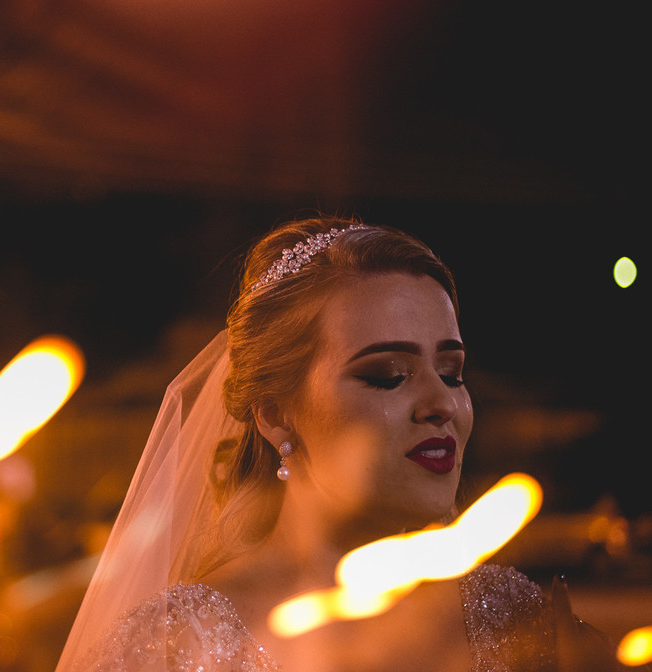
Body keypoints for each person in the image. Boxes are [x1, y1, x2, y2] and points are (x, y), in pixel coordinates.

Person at [56, 216, 615, 672]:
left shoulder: (519, 620)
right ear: (276, 417)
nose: (441, 404)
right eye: (387, 375)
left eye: (452, 372)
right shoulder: (181, 647)